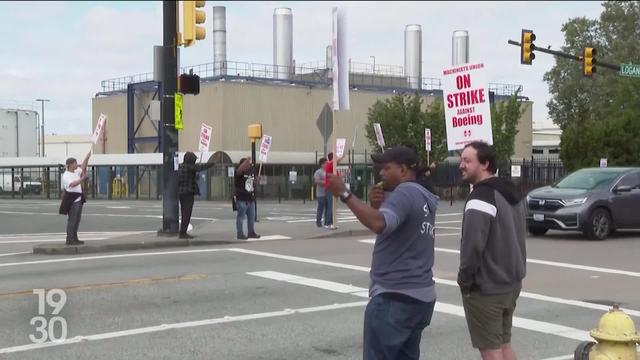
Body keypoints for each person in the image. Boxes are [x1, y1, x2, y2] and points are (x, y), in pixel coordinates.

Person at [327, 146, 439, 360]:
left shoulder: (405, 191)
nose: (381, 173)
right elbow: (395, 224)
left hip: (395, 296)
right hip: (420, 296)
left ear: (404, 170)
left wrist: (345, 193)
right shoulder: (424, 195)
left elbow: (379, 224)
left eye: (387, 168)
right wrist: (378, 205)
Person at [458, 141, 527, 360]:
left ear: (485, 163)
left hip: (487, 288)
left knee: (491, 351)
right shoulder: (512, 193)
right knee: (504, 345)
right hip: (511, 284)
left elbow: (472, 247)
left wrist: (465, 280)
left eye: (467, 160)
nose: (461, 165)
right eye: (461, 160)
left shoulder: (480, 198)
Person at [177, 152, 217, 239]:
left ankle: (183, 231)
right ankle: (183, 233)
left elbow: (186, 178)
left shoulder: (181, 167)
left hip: (182, 193)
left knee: (185, 212)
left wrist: (194, 177)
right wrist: (212, 163)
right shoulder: (189, 167)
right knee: (187, 213)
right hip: (188, 193)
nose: (195, 161)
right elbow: (200, 167)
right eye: (194, 160)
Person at [59, 152, 91, 246]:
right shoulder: (66, 175)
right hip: (72, 199)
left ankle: (75, 238)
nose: (77, 165)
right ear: (70, 165)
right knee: (72, 220)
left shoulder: (76, 171)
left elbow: (83, 167)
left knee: (77, 220)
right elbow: (72, 184)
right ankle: (69, 239)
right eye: (75, 163)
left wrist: (87, 158)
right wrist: (82, 179)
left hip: (79, 198)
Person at [234, 157, 260, 240]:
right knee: (241, 216)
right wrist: (245, 162)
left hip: (250, 197)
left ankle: (251, 232)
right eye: (247, 164)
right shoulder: (239, 173)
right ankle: (240, 233)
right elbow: (239, 171)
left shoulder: (251, 172)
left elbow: (253, 184)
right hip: (242, 197)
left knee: (251, 217)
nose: (249, 165)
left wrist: (256, 181)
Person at [323, 152, 344, 230]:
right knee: (331, 206)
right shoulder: (330, 164)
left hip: (332, 187)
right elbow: (335, 162)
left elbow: (337, 177)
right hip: (329, 187)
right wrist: (341, 157)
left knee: (332, 206)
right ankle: (328, 223)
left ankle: (331, 222)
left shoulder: (333, 167)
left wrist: (345, 174)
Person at [313, 158, 328, 228]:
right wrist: (325, 182)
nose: (327, 164)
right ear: (322, 164)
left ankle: (327, 222)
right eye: (325, 163)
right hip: (320, 193)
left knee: (327, 208)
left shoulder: (328, 171)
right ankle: (318, 222)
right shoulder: (318, 172)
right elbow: (316, 181)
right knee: (321, 208)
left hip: (328, 193)